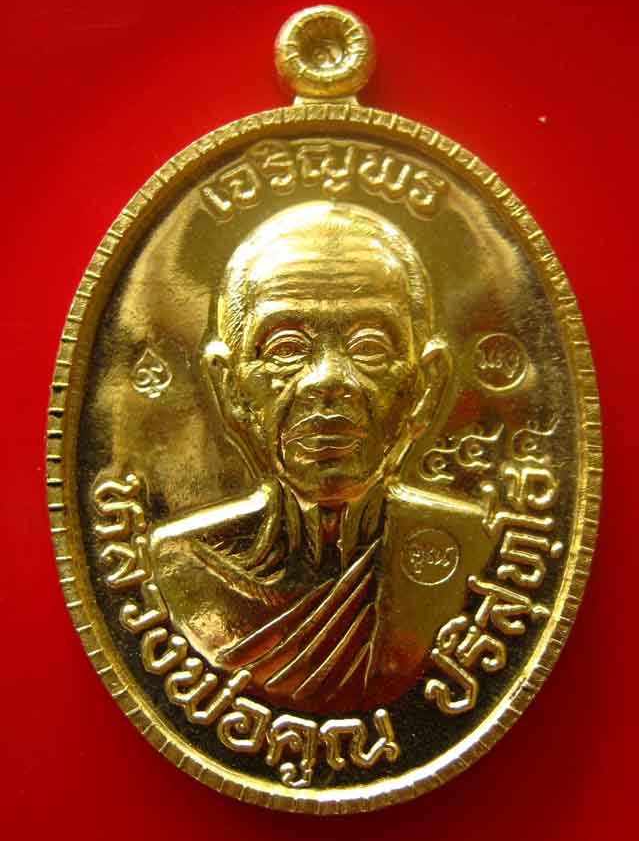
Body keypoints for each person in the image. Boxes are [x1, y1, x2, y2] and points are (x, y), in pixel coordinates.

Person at [150, 201, 494, 712]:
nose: (328, 379)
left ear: (426, 386)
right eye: (286, 348)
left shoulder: (475, 550)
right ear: (229, 388)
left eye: (369, 346)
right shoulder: (184, 563)